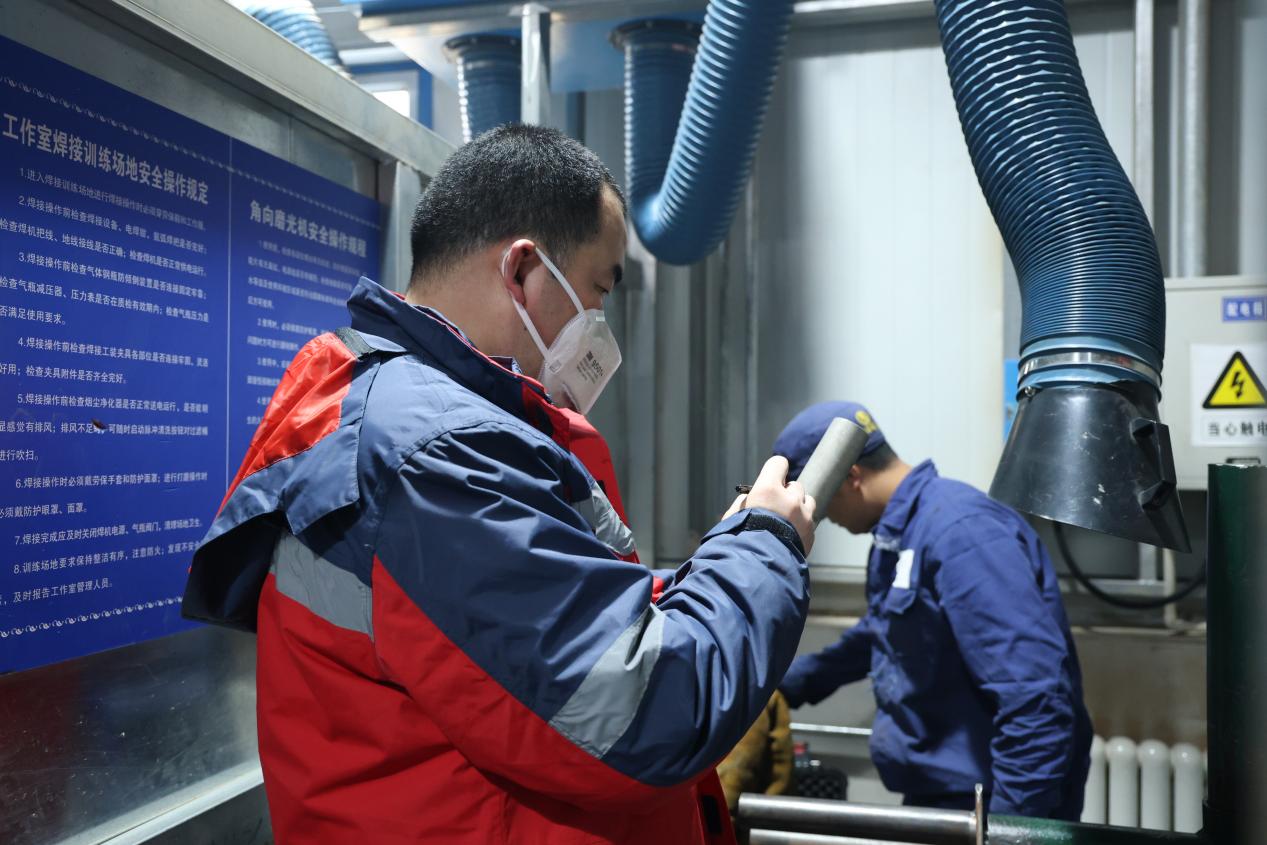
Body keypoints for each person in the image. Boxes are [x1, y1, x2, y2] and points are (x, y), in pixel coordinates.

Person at [182, 124, 817, 845]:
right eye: (597, 290)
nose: (598, 326)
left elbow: (560, 628)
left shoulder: (428, 423)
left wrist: (720, 558)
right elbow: (644, 710)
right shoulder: (436, 453)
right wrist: (765, 546)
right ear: (521, 270)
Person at [773, 401, 1092, 820]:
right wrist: (779, 687)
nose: (822, 518)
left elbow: (1034, 696)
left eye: (821, 504)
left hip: (992, 803)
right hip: (944, 800)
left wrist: (1009, 828)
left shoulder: (961, 531)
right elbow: (882, 636)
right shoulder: (900, 535)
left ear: (851, 477)